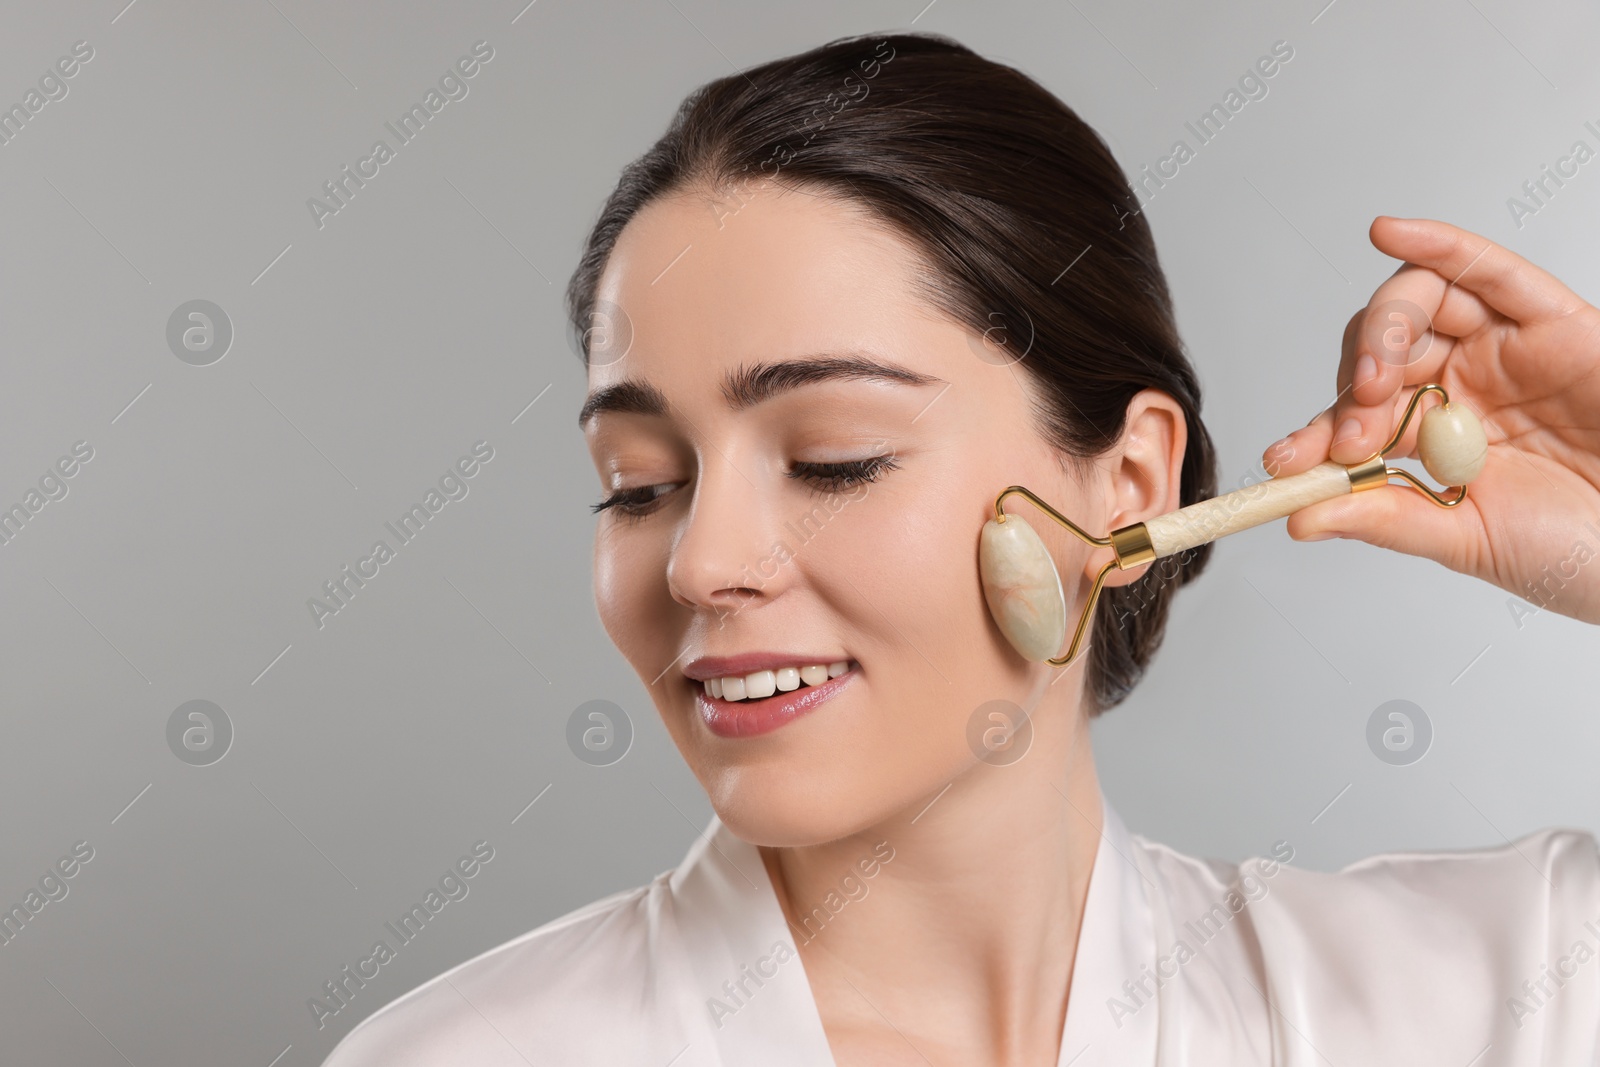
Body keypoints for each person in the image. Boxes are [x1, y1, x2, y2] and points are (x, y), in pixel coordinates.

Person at [321, 30, 1600, 1067]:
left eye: (833, 456)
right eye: (639, 483)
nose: (700, 563)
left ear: (1132, 480)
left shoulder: (1504, 994)